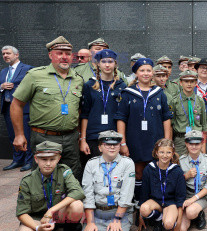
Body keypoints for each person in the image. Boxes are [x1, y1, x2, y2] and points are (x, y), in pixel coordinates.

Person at [11, 36, 84, 180]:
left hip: (71, 138)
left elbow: (79, 109)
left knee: (72, 176)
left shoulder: (78, 78)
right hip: (44, 137)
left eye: (68, 54)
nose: (64, 57)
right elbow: (16, 104)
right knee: (42, 178)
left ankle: (70, 203)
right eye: (59, 53)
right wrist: (19, 134)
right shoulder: (35, 75)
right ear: (51, 55)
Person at [115, 57, 172, 208]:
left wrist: (167, 142)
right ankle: (139, 203)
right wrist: (123, 143)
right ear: (136, 73)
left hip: (156, 141)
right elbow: (121, 119)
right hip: (136, 141)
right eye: (142, 70)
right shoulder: (128, 93)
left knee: (156, 172)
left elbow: (166, 119)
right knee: (138, 173)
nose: (146, 73)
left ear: (152, 73)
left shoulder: (159, 93)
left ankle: (156, 203)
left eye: (148, 70)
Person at [16, 141, 85, 231]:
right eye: (43, 159)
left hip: (56, 214)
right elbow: (21, 213)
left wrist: (51, 211)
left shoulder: (64, 171)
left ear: (59, 158)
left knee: (77, 205)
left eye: (52, 159)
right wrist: (37, 227)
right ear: (36, 159)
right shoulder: (27, 181)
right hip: (37, 218)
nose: (48, 163)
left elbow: (78, 192)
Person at [79, 130, 135, 231]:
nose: (112, 147)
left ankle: (124, 229)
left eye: (115, 144)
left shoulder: (127, 163)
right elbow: (88, 194)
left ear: (120, 146)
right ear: (99, 147)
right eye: (107, 144)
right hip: (97, 215)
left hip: (119, 214)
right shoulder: (91, 164)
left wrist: (117, 220)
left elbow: (126, 195)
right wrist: (90, 222)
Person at [80, 49, 126, 163]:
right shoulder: (90, 85)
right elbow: (85, 114)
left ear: (115, 64)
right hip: (93, 136)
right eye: (103, 61)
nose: (107, 64)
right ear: (98, 64)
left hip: (114, 136)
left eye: (110, 61)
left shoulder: (121, 86)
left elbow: (123, 116)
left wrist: (123, 141)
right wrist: (83, 139)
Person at [138, 138, 186, 231]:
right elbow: (144, 193)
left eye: (168, 152)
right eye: (161, 152)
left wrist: (179, 221)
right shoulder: (149, 169)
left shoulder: (177, 171)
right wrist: (140, 216)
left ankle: (165, 218)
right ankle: (158, 218)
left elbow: (180, 197)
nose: (165, 155)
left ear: (173, 154)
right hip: (155, 202)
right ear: (156, 153)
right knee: (144, 209)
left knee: (169, 225)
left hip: (170, 202)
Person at [1, 45, 34, 171]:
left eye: (8, 53)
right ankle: (17, 159)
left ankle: (29, 161)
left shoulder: (28, 69)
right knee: (12, 136)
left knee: (26, 135)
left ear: (16, 54)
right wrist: (2, 86)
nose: (5, 56)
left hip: (23, 109)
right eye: (3, 54)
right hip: (8, 108)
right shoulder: (3, 72)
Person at [179, 130, 207, 231]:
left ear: (202, 143)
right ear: (186, 144)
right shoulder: (181, 160)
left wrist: (193, 199)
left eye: (197, 144)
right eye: (191, 144)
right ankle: (191, 212)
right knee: (181, 230)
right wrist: (186, 176)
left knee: (190, 212)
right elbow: (176, 182)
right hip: (186, 194)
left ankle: (199, 214)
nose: (194, 147)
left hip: (201, 195)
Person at [169, 70, 207, 156]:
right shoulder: (175, 101)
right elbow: (171, 125)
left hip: (197, 139)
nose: (189, 84)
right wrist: (170, 144)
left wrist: (203, 147)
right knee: (180, 165)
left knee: (197, 165)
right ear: (180, 83)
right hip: (180, 140)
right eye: (186, 81)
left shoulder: (200, 100)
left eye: (192, 81)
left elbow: (204, 125)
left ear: (196, 83)